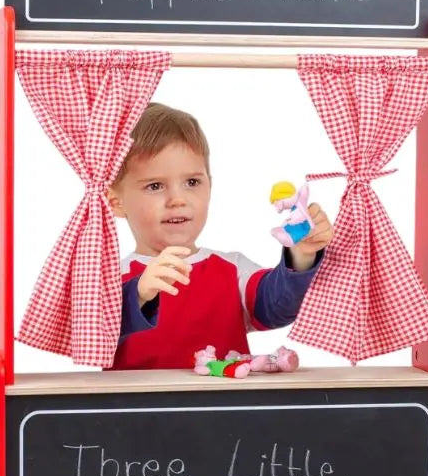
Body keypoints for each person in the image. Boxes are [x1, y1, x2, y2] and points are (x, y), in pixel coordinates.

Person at [106, 103, 334, 370]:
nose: (178, 199)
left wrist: (302, 256)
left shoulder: (232, 270)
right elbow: (92, 335)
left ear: (210, 186)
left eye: (192, 182)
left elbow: (277, 307)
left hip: (225, 410)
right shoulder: (109, 280)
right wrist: (139, 295)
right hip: (139, 412)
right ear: (116, 202)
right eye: (155, 186)